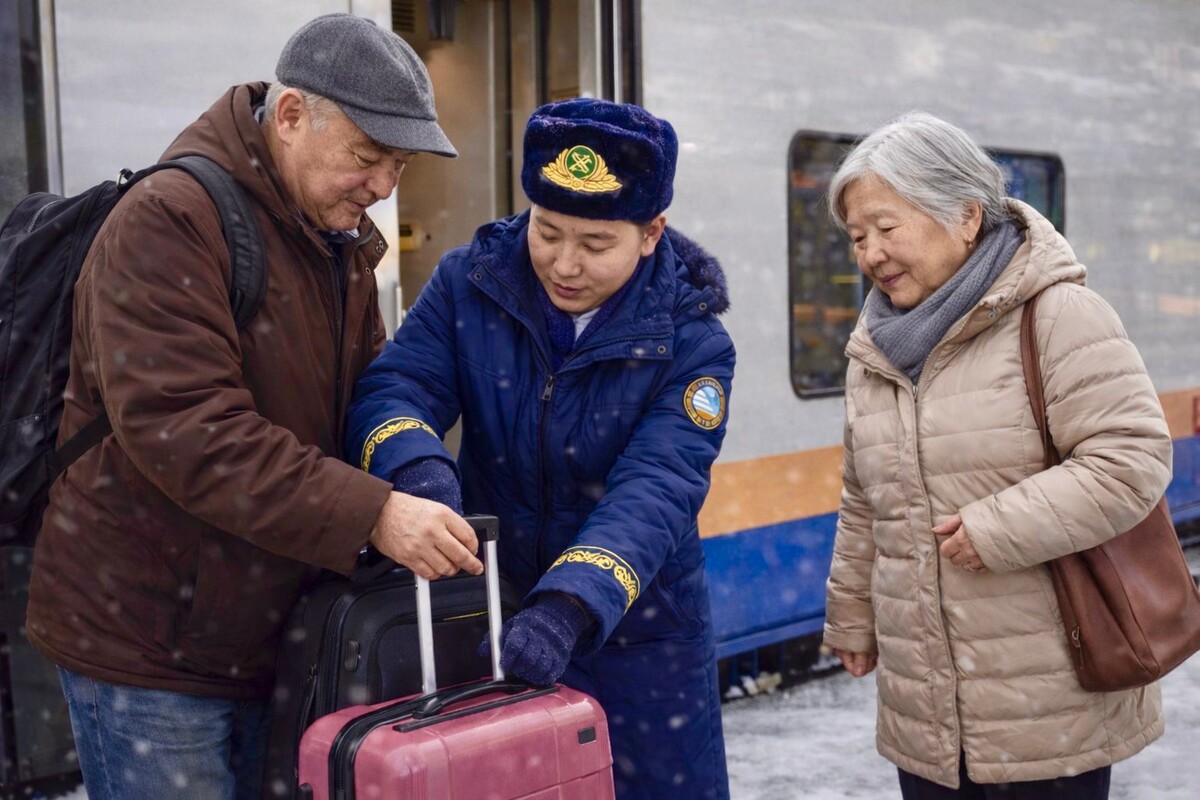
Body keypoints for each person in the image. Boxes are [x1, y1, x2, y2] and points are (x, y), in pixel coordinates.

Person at [25, 14, 483, 799]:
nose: (383, 188)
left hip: (263, 633)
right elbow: (190, 431)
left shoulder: (327, 235)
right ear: (292, 114)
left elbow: (361, 392)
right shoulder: (172, 219)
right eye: (368, 157)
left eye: (399, 165)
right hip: (153, 648)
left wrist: (409, 461)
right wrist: (375, 513)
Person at [346, 97, 735, 799]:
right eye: (547, 231)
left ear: (652, 233)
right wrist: (417, 465)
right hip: (494, 615)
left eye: (595, 245)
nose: (564, 264)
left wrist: (569, 604)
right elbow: (396, 386)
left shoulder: (693, 342)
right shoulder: (470, 284)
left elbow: (657, 487)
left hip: (641, 641)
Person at [821, 110, 1170, 799]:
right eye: (858, 237)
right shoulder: (877, 349)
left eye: (887, 228)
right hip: (925, 707)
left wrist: (994, 530)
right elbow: (864, 499)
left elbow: (1130, 460)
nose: (870, 254)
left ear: (966, 217)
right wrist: (853, 615)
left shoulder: (1057, 314)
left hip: (1048, 699)